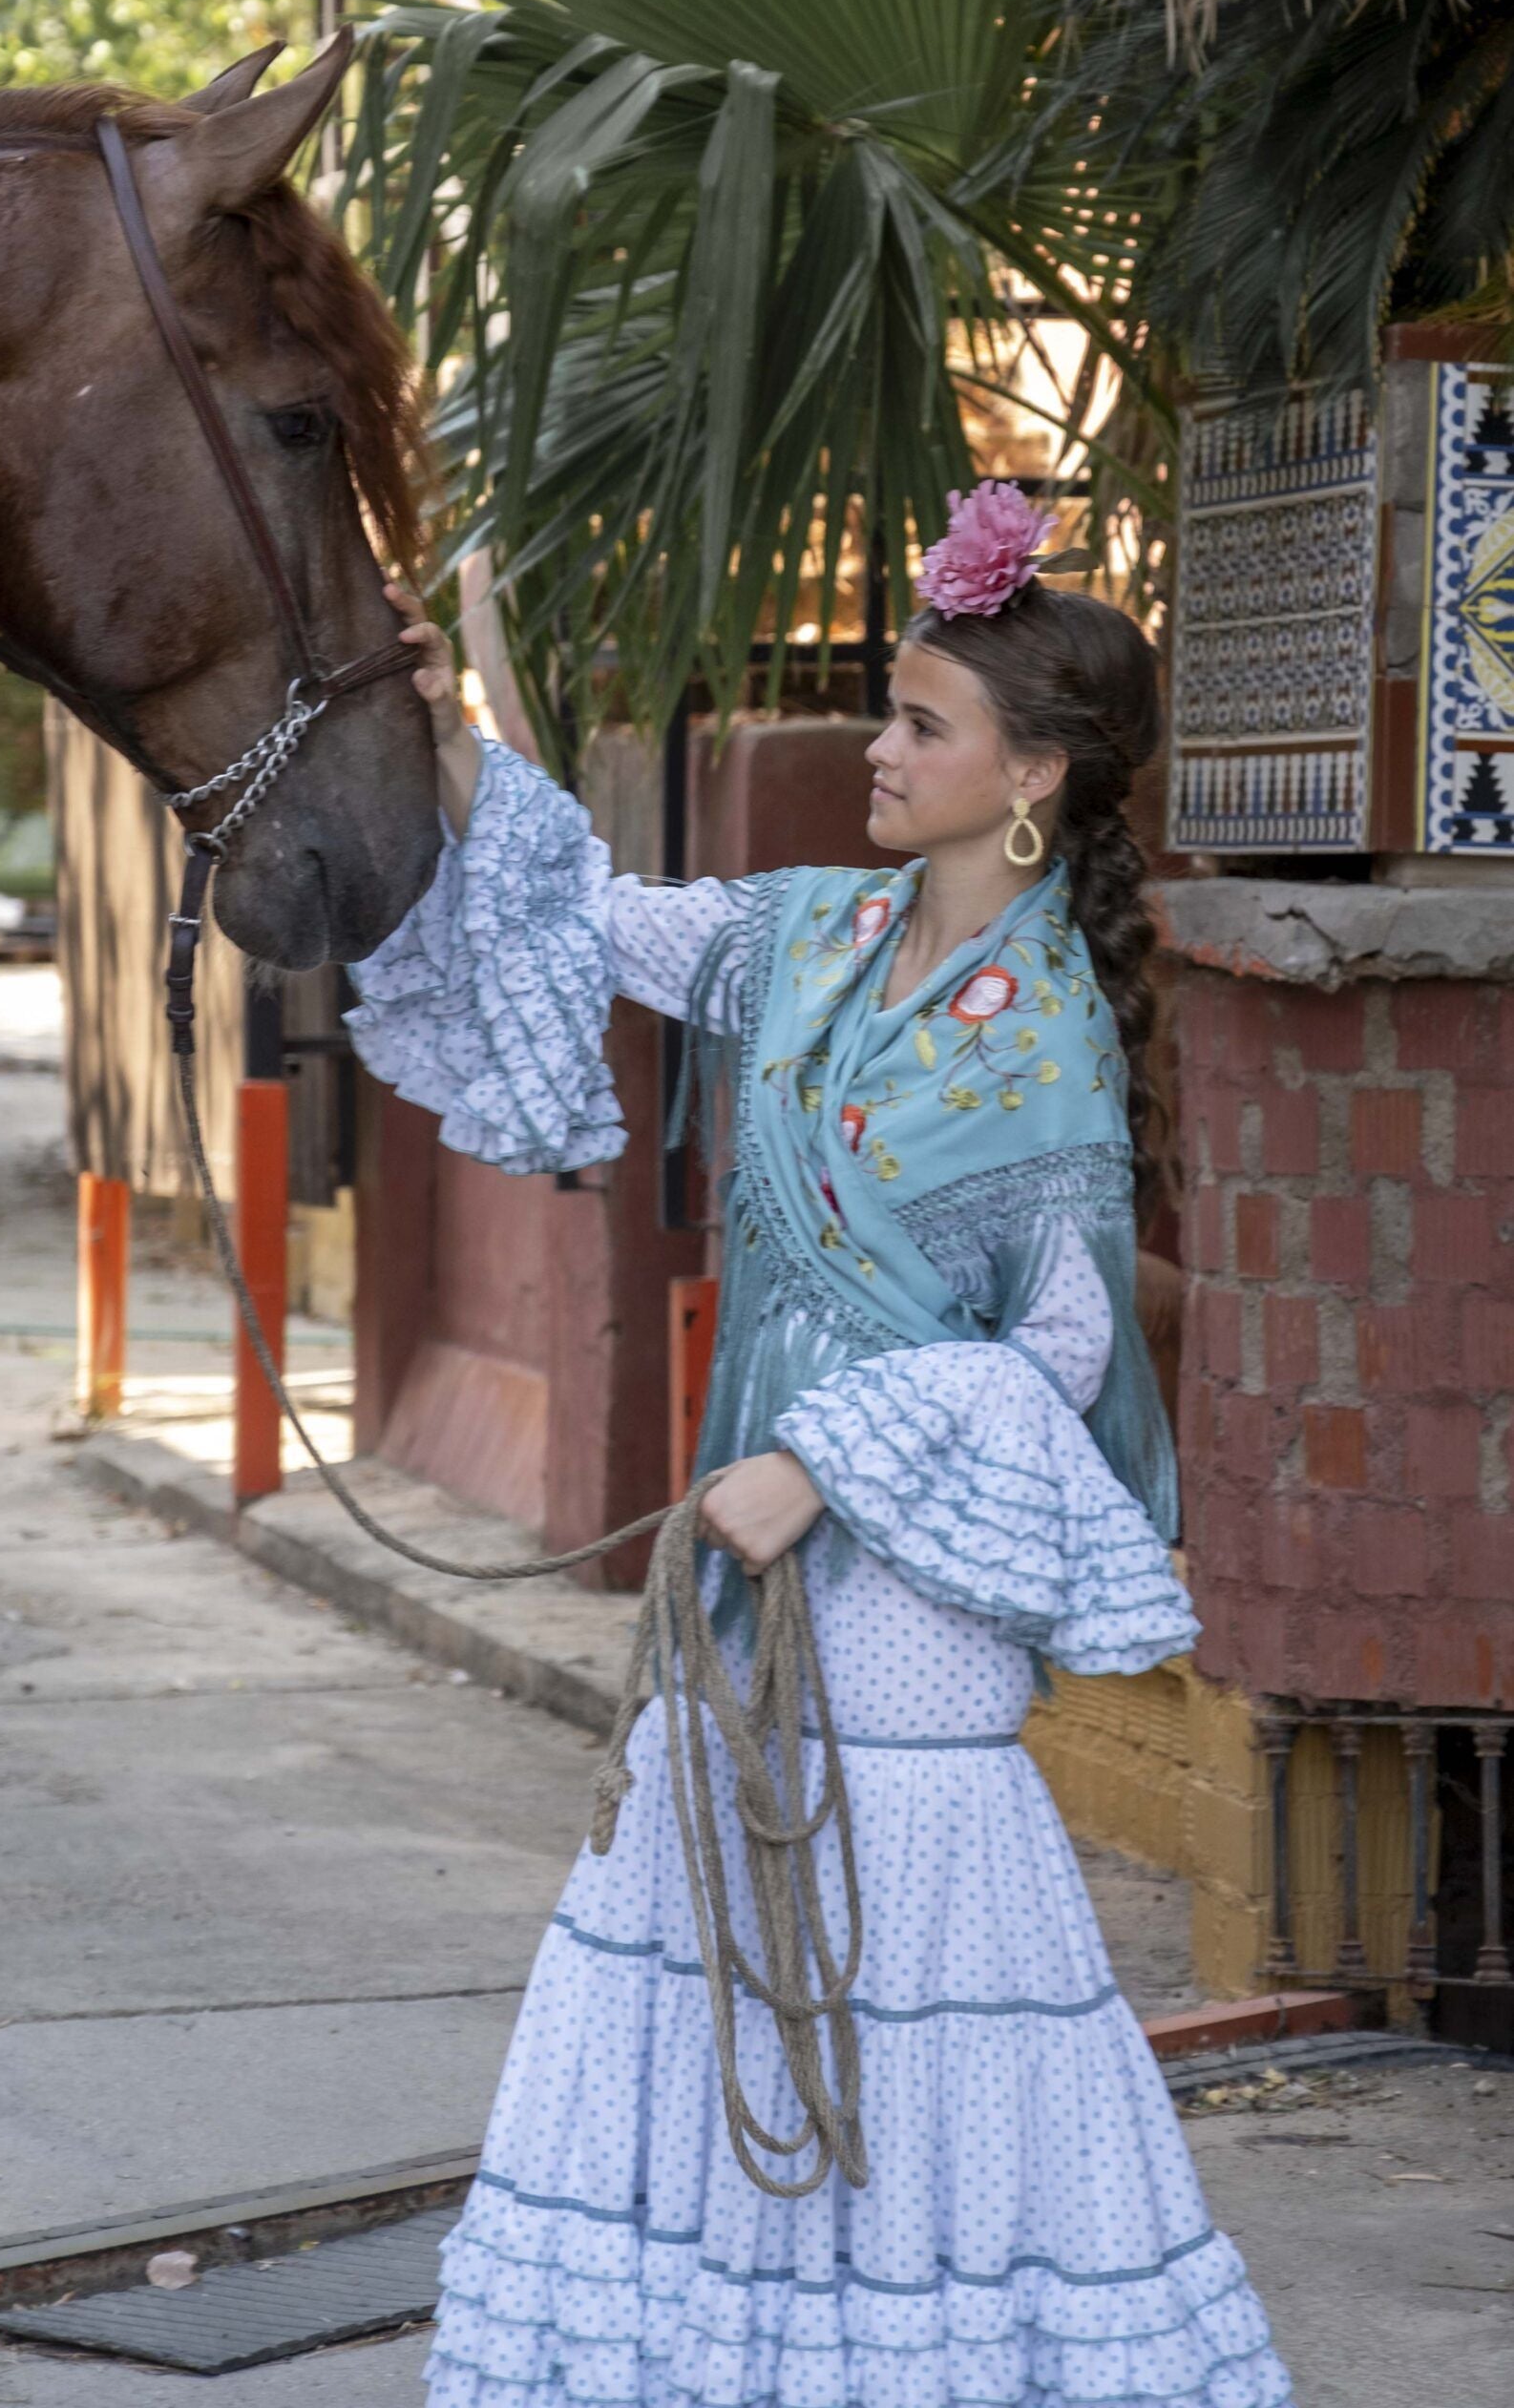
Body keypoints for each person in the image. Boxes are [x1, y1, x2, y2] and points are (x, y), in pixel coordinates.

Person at [346, 480, 1295, 2408]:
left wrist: (820, 1467)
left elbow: (1053, 1347)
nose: (876, 747)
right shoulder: (811, 932)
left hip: (900, 1575)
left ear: (1031, 777)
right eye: (887, 710)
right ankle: (751, 2352)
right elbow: (587, 914)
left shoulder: (1035, 1037)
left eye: (919, 724)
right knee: (728, 1913)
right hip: (756, 1556)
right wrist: (456, 733)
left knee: (896, 1942)